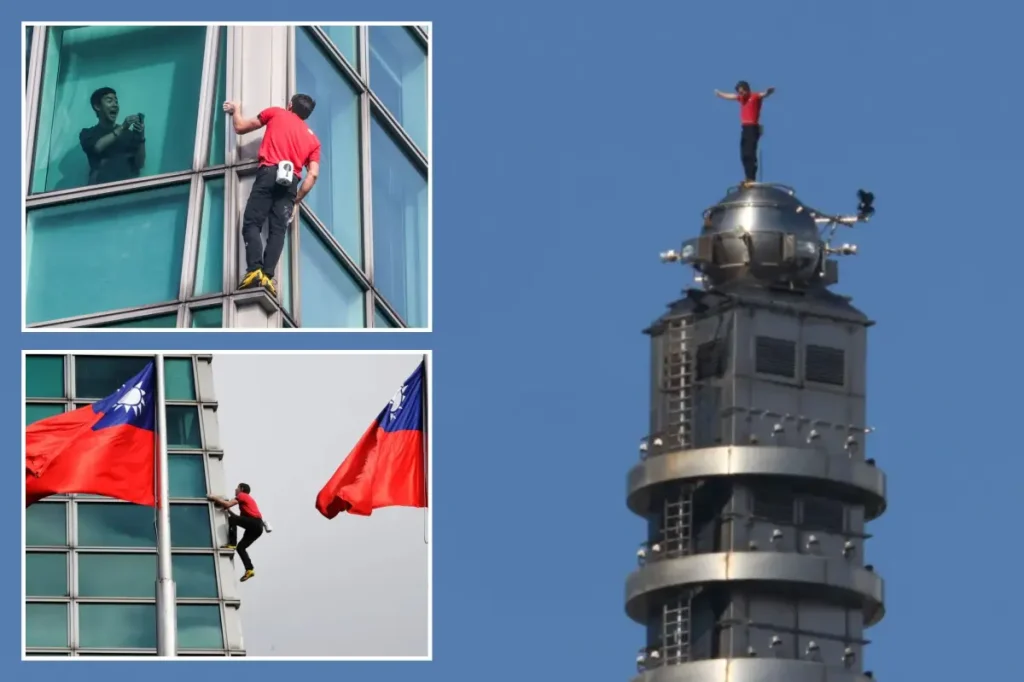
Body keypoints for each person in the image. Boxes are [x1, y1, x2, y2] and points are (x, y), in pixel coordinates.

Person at [222, 94, 322, 298]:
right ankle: (268, 277)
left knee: (252, 222)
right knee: (278, 231)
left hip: (268, 172)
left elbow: (240, 127)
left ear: (290, 105)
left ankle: (254, 271)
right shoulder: (313, 141)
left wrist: (236, 109)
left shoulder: (276, 113)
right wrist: (296, 199)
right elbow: (313, 174)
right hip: (291, 183)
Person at [79, 87, 146, 185]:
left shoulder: (128, 134)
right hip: (99, 190)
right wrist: (122, 127)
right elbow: (97, 147)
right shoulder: (88, 133)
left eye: (116, 102)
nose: (115, 105)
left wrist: (141, 137)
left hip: (128, 189)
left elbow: (139, 164)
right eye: (109, 101)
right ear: (97, 106)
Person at [715, 81, 775, 185]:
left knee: (750, 153)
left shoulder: (754, 96)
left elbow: (763, 94)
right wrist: (720, 94)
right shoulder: (741, 99)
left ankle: (751, 178)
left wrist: (768, 92)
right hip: (745, 128)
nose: (741, 94)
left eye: (742, 91)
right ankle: (748, 177)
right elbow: (731, 96)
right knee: (744, 155)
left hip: (752, 128)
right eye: (739, 92)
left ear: (747, 89)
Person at [208, 483, 264, 582]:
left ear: (241, 489)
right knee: (241, 548)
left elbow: (228, 504)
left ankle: (232, 544)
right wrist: (227, 510)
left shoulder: (242, 495)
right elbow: (238, 518)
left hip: (254, 523)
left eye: (237, 488)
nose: (235, 489)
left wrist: (214, 498)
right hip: (257, 528)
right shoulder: (245, 503)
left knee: (232, 520)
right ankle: (249, 569)